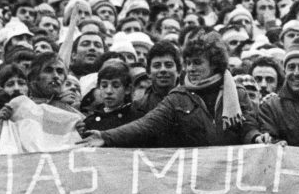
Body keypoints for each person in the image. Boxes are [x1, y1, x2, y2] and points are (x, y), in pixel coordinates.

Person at [83, 32, 266, 148]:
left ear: (214, 64)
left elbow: (248, 127)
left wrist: (257, 139)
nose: (191, 68)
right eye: (188, 63)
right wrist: (106, 137)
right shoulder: (178, 97)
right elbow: (145, 125)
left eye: (197, 63)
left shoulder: (237, 92)